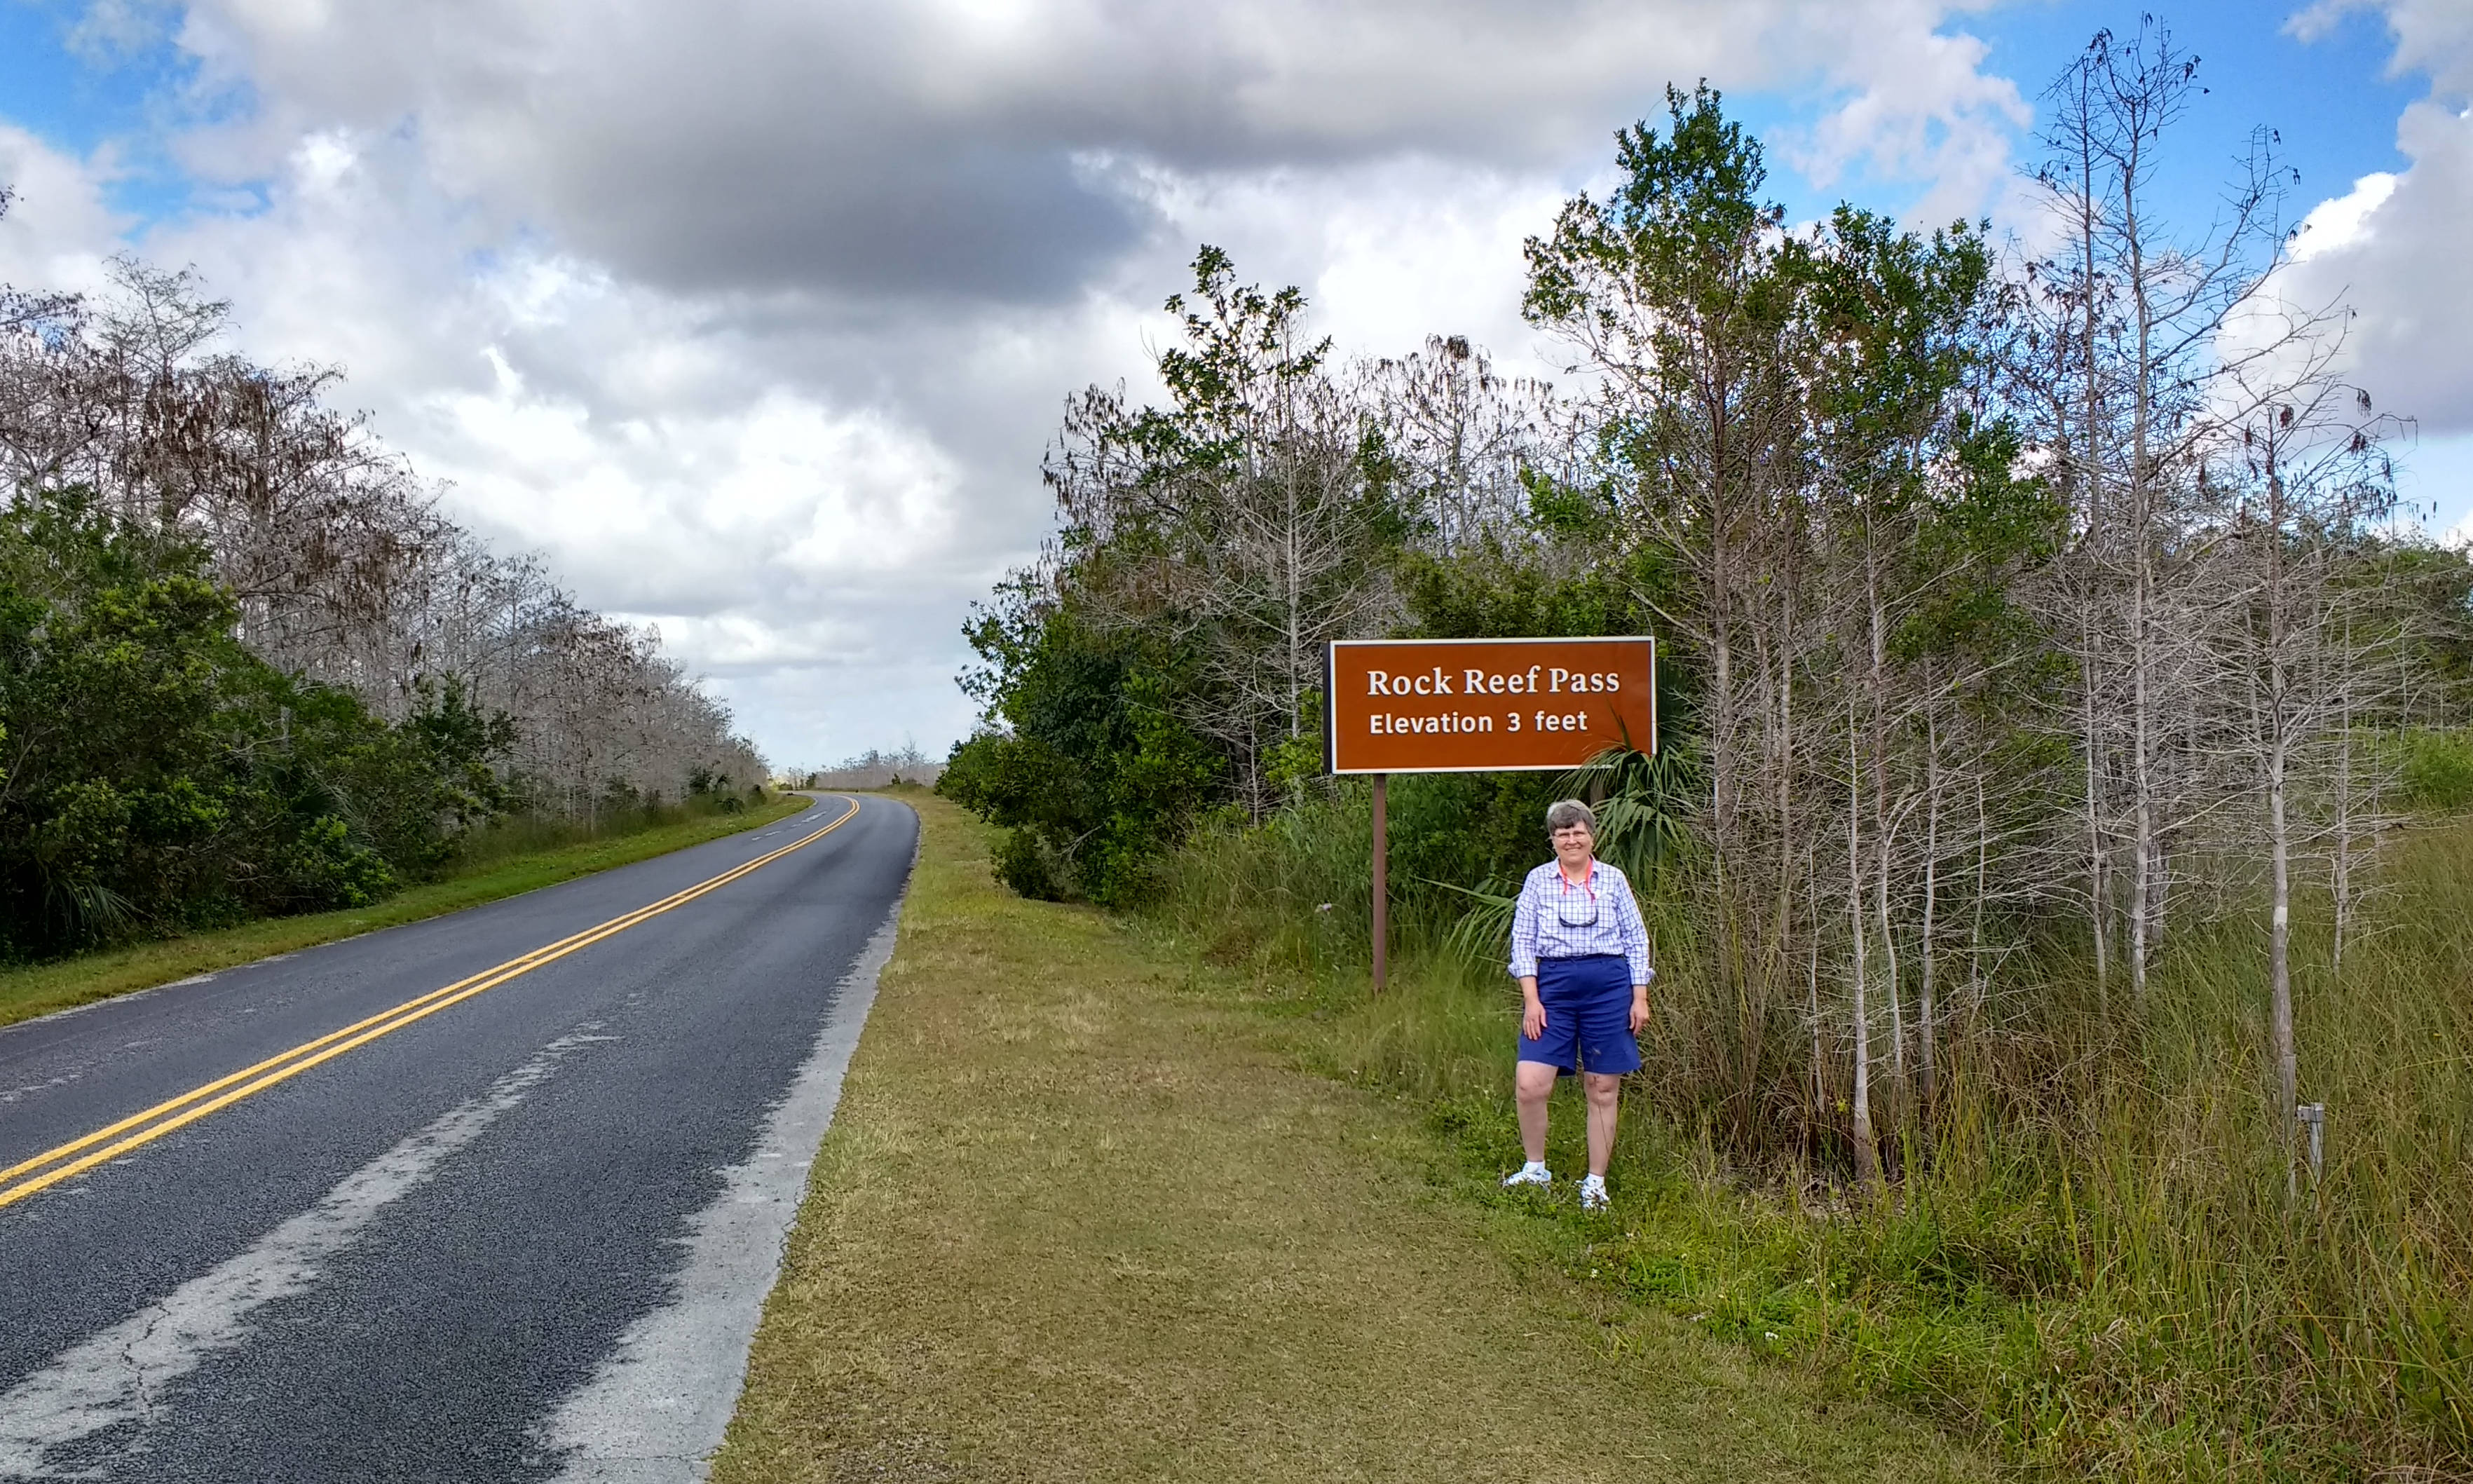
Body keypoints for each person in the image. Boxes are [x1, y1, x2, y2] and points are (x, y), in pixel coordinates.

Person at [1501, 799, 1652, 1211]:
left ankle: (1595, 1182)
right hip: (1552, 989)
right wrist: (1531, 999)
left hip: (1609, 988)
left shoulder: (1614, 880)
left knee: (1602, 1087)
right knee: (1531, 1083)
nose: (1571, 839)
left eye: (1578, 831)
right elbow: (1524, 942)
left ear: (1592, 835)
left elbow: (1637, 939)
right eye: (1562, 833)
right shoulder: (1538, 881)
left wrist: (1639, 996)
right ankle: (1536, 1170)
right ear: (1553, 840)